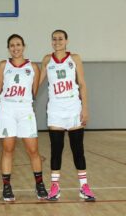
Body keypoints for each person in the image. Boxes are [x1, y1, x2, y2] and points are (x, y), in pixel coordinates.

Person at [39, 29, 95, 201]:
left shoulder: (75, 58)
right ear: (51, 42)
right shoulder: (47, 60)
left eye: (60, 39)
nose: (57, 42)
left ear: (66, 41)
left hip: (73, 108)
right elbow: (37, 83)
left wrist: (84, 108)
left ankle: (84, 186)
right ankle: (55, 186)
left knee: (78, 149)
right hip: (55, 110)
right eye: (54, 39)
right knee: (56, 150)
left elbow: (83, 85)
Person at [0, 34, 48, 201]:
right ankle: (6, 186)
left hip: (25, 109)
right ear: (8, 48)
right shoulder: (3, 65)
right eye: (12, 45)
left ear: (24, 46)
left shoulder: (33, 66)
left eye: (18, 44)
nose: (15, 48)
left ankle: (40, 185)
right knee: (8, 149)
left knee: (33, 150)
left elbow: (34, 92)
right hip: (7, 109)